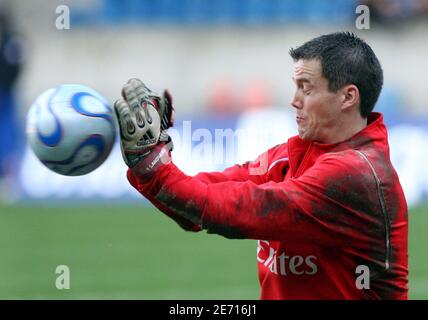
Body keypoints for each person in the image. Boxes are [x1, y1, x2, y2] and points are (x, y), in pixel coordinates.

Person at [113, 32, 408, 299]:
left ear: (347, 97)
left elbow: (236, 211)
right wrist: (152, 163)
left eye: (306, 89)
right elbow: (198, 205)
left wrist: (153, 165)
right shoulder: (292, 153)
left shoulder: (355, 175)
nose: (294, 100)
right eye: (295, 87)